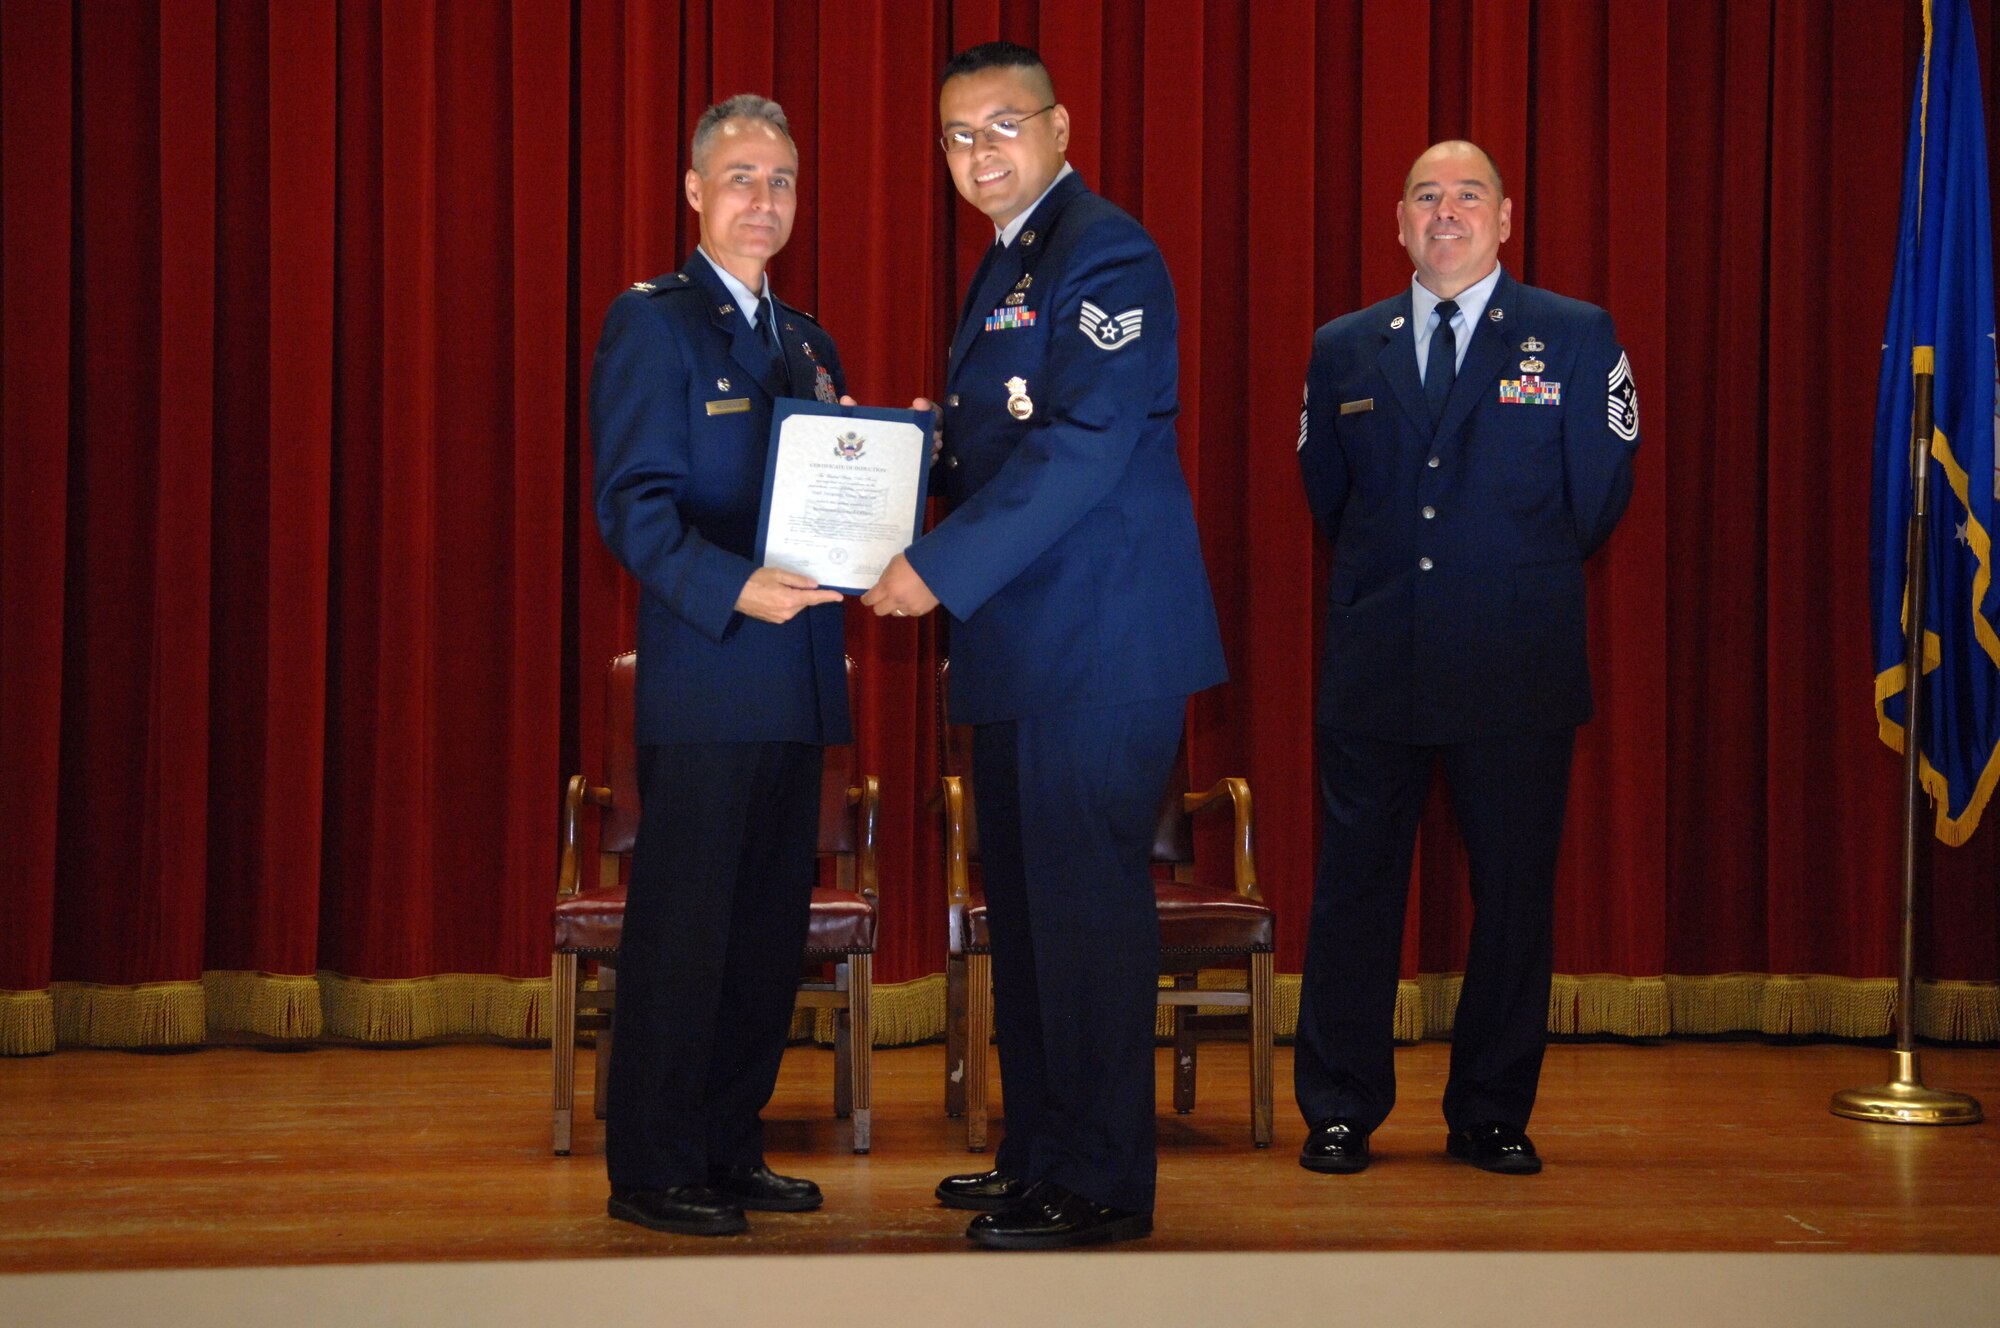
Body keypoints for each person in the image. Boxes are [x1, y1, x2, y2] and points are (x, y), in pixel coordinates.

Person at [862, 41, 1226, 1250]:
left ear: (1059, 128)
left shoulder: (1103, 249)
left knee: (1082, 918)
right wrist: (930, 443)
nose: (978, 155)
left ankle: (1105, 1180)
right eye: (957, 137)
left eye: (1001, 126)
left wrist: (936, 561)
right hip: (1027, 646)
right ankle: (1041, 1148)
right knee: (1022, 916)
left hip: (1099, 645)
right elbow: (1012, 435)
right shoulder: (1011, 260)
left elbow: (1084, 442)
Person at [1293, 140, 1640, 1177]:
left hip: (1513, 662)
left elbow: (1597, 493)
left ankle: (1490, 1108)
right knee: (1354, 893)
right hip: (1375, 659)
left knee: (1513, 896)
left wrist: (1497, 577)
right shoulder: (1342, 346)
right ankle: (1340, 1106)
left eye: (1466, 195)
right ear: (1399, 222)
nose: (1445, 211)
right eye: (1424, 196)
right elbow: (1326, 493)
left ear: (1502, 218)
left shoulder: (1574, 336)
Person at [588, 94, 851, 1236]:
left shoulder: (806, 340)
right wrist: (730, 584)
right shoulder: (652, 323)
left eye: (781, 179)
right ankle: (653, 1163)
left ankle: (729, 1144)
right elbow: (630, 508)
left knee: (760, 937)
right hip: (706, 675)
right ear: (692, 192)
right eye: (740, 177)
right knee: (683, 933)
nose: (763, 198)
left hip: (795, 685)